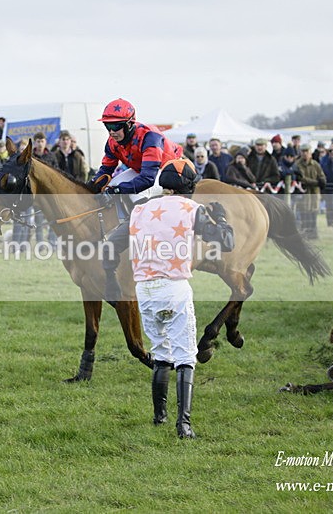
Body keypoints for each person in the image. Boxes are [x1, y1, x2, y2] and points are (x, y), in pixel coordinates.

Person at [127, 158, 233, 438]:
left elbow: (113, 241)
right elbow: (227, 242)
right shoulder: (191, 209)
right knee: (186, 357)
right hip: (174, 288)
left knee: (161, 353)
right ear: (189, 186)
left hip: (144, 289)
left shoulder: (140, 209)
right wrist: (220, 218)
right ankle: (183, 424)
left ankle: (159, 415)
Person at [89, 98, 183, 303]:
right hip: (142, 169)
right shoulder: (112, 142)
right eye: (107, 126)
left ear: (130, 124)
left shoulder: (150, 137)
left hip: (168, 169)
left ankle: (149, 243)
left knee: (134, 193)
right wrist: (93, 185)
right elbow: (106, 170)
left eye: (116, 126)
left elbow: (148, 179)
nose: (111, 131)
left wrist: (116, 190)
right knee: (115, 182)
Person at [294, 143, 326, 239]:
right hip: (303, 194)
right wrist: (316, 182)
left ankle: (313, 235)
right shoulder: (297, 165)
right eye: (303, 151)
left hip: (315, 194)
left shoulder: (315, 164)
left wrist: (320, 182)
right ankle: (305, 235)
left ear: (310, 152)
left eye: (307, 151)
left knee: (314, 215)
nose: (305, 153)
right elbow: (301, 179)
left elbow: (322, 178)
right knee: (304, 215)